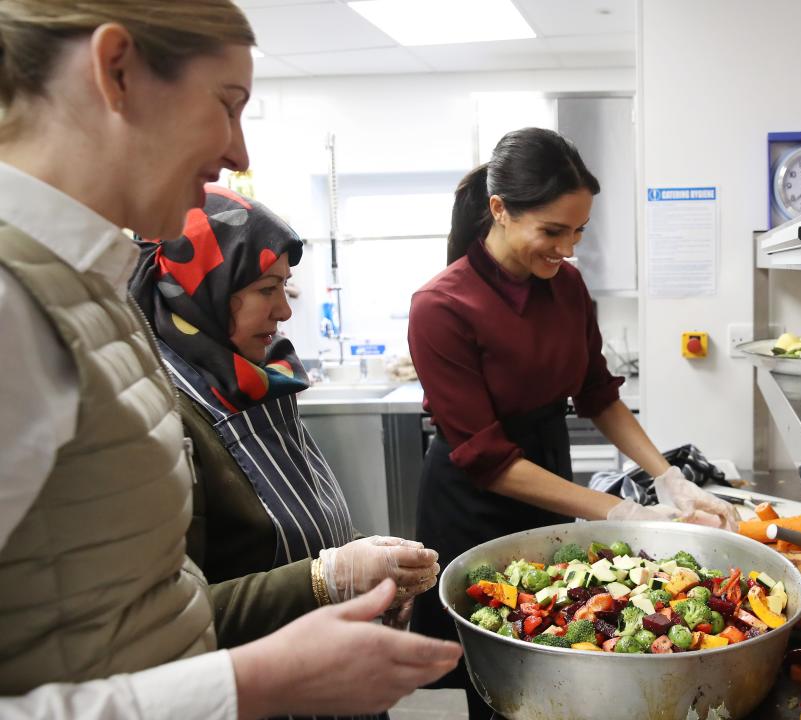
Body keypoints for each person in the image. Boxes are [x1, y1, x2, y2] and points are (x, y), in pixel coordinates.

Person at [0, 2, 460, 718]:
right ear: (115, 70)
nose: (239, 154)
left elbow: (135, 604)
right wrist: (260, 680)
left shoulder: (92, 293)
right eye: (228, 105)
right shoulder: (12, 301)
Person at [406, 127, 737, 718]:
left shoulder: (568, 286)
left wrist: (666, 477)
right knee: (503, 675)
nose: (568, 248)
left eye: (579, 231)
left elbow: (597, 393)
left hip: (548, 478)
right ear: (500, 210)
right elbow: (487, 458)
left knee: (570, 643)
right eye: (554, 231)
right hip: (475, 501)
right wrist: (619, 511)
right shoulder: (442, 306)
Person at [128, 187, 439, 654]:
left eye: (284, 287)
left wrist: (363, 559)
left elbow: (294, 514)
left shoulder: (257, 377)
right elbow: (167, 618)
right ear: (201, 292)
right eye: (266, 290)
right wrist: (325, 578)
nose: (285, 310)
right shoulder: (163, 414)